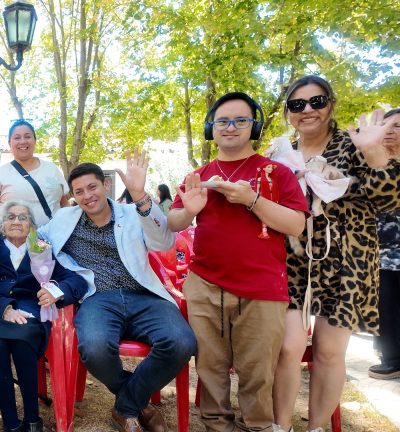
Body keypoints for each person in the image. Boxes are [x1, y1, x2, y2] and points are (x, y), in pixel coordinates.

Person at [168, 92, 308, 432]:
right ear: (210, 128)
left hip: (263, 287)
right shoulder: (198, 176)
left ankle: (258, 426)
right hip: (204, 283)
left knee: (257, 370)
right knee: (210, 366)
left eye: (240, 120)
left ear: (253, 126)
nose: (230, 127)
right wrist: (191, 209)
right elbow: (174, 222)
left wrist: (252, 199)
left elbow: (296, 225)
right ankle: (216, 426)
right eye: (222, 121)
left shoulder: (276, 172)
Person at [272, 76, 400, 432]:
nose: (308, 110)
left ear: (331, 104)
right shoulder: (279, 153)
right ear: (288, 113)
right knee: (286, 348)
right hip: (291, 263)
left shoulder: (358, 143)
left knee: (329, 353)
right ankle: (279, 426)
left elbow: (390, 200)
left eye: (317, 101)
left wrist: (375, 155)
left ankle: (316, 428)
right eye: (297, 105)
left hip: (346, 263)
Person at [39, 154, 196, 432]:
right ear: (73, 196)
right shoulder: (65, 219)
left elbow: (164, 241)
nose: (87, 196)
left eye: (92, 187)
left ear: (105, 186)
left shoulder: (133, 212)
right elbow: (35, 240)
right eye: (79, 191)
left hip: (143, 295)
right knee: (94, 348)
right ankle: (139, 402)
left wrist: (140, 196)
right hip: (97, 298)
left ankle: (126, 406)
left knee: (181, 342)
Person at [0, 200, 86, 432]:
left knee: (22, 341)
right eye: (10, 217)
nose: (16, 221)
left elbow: (76, 280)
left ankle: (31, 419)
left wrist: (55, 291)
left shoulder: (41, 248)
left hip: (30, 311)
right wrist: (3, 308)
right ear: (1, 224)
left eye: (23, 217)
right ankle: (10, 422)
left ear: (32, 225)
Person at [0, 120, 69, 228]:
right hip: (12, 242)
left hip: (54, 239)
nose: (23, 141)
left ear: (34, 140)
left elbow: (64, 204)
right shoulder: (0, 174)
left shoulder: (52, 169)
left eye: (27, 136)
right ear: (10, 143)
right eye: (17, 137)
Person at [369, 107, 400, 380]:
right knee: (386, 305)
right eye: (386, 125)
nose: (389, 131)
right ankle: (391, 358)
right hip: (379, 252)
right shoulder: (371, 163)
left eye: (397, 126)